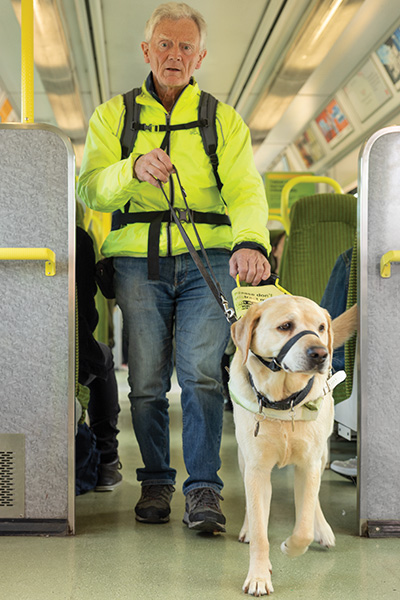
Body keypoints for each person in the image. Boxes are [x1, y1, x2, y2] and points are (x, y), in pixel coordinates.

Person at [77, 2, 271, 532]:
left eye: (186, 46)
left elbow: (246, 190)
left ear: (200, 57)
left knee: (202, 375)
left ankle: (204, 489)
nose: (175, 54)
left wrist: (251, 242)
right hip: (138, 261)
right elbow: (89, 187)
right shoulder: (112, 116)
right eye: (165, 44)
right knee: (145, 382)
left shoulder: (222, 120)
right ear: (147, 50)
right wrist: (132, 168)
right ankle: (157, 480)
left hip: (208, 257)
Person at [76, 212, 122, 492]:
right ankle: (107, 461)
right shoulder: (77, 239)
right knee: (102, 356)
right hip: (66, 359)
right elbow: (86, 316)